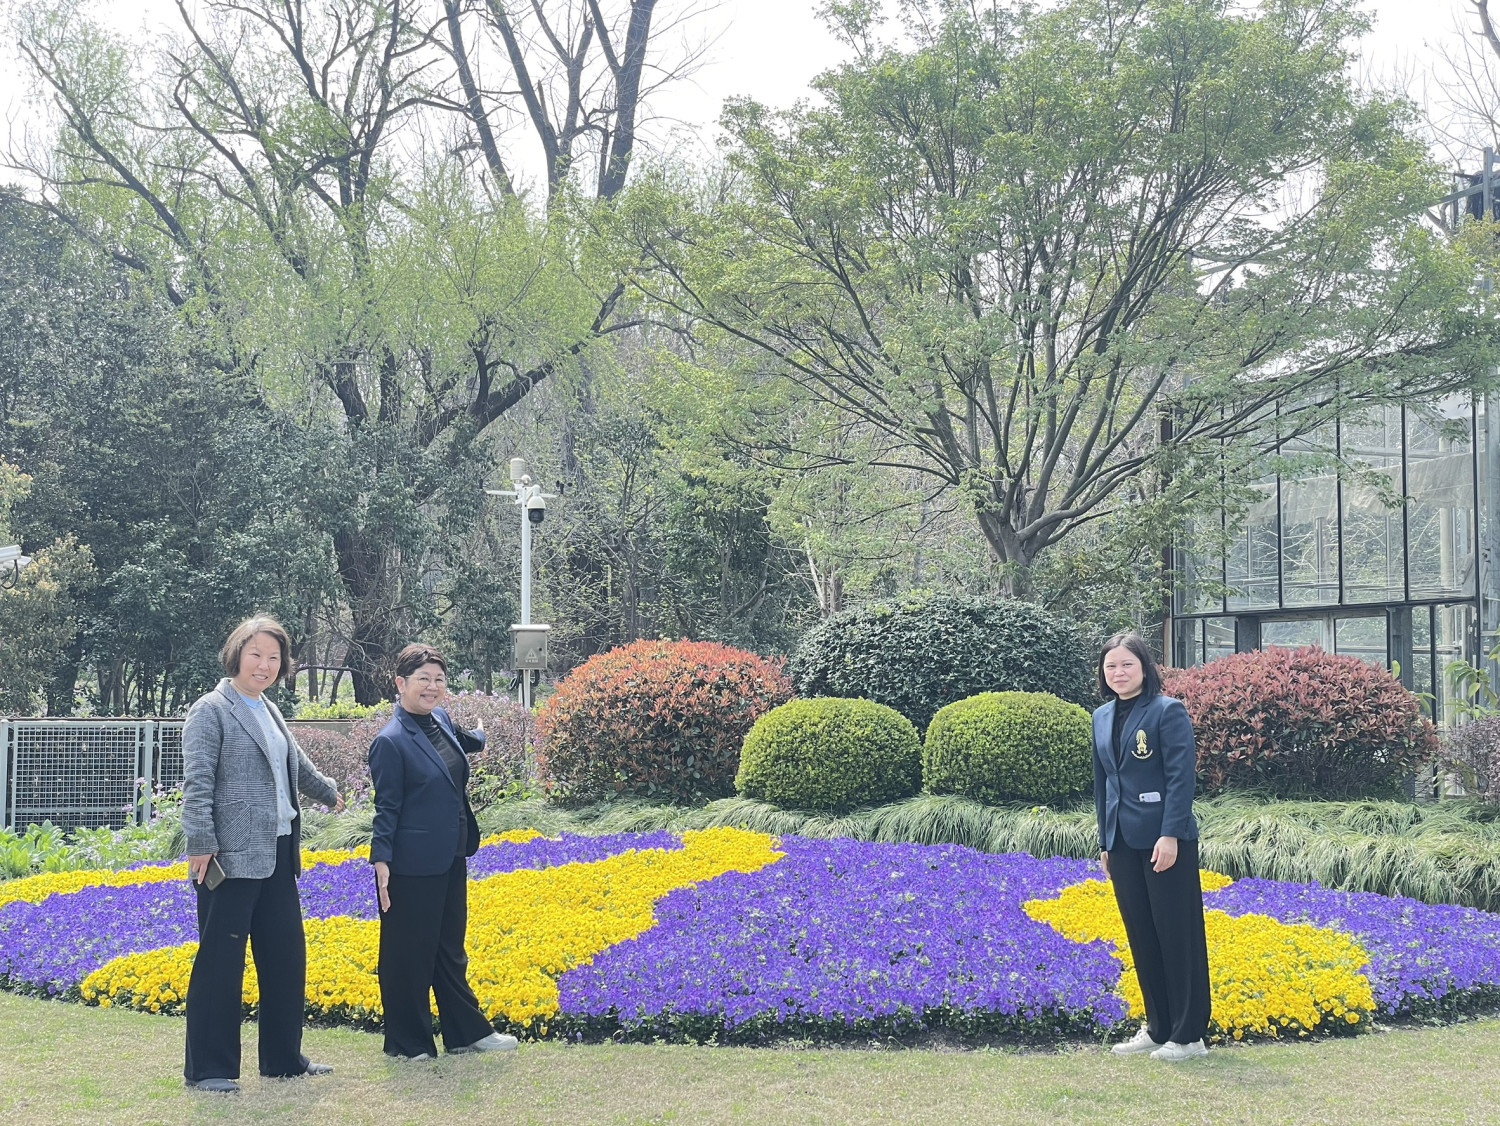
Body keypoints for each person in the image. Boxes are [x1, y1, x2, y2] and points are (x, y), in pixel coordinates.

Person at [181, 616, 344, 1093]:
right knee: (221, 962)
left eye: (274, 657)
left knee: (286, 958)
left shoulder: (269, 708)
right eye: (256, 654)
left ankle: (283, 1058)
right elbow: (197, 783)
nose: (265, 665)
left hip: (277, 853)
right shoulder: (210, 710)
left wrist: (329, 792)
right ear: (236, 654)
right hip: (229, 858)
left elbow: (296, 766)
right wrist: (201, 842)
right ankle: (209, 1069)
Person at [368, 643, 518, 1060]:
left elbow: (460, 745)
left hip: (451, 854)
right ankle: (408, 1043)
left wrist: (482, 735)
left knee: (450, 950)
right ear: (401, 683)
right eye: (423, 679)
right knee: (409, 954)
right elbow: (386, 808)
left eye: (438, 679)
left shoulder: (441, 720)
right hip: (410, 863)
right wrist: (381, 860)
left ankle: (466, 1033)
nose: (432, 687)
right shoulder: (390, 741)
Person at [1092, 632, 1211, 1062]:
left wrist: (1170, 834)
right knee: (1142, 935)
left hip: (1165, 841)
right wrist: (1105, 840)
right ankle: (1159, 1028)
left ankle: (1189, 1036)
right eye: (1111, 666)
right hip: (1122, 842)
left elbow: (1181, 777)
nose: (1118, 672)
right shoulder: (1101, 716)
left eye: (1127, 664)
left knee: (1176, 935)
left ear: (1144, 667)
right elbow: (1103, 784)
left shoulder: (1167, 711)